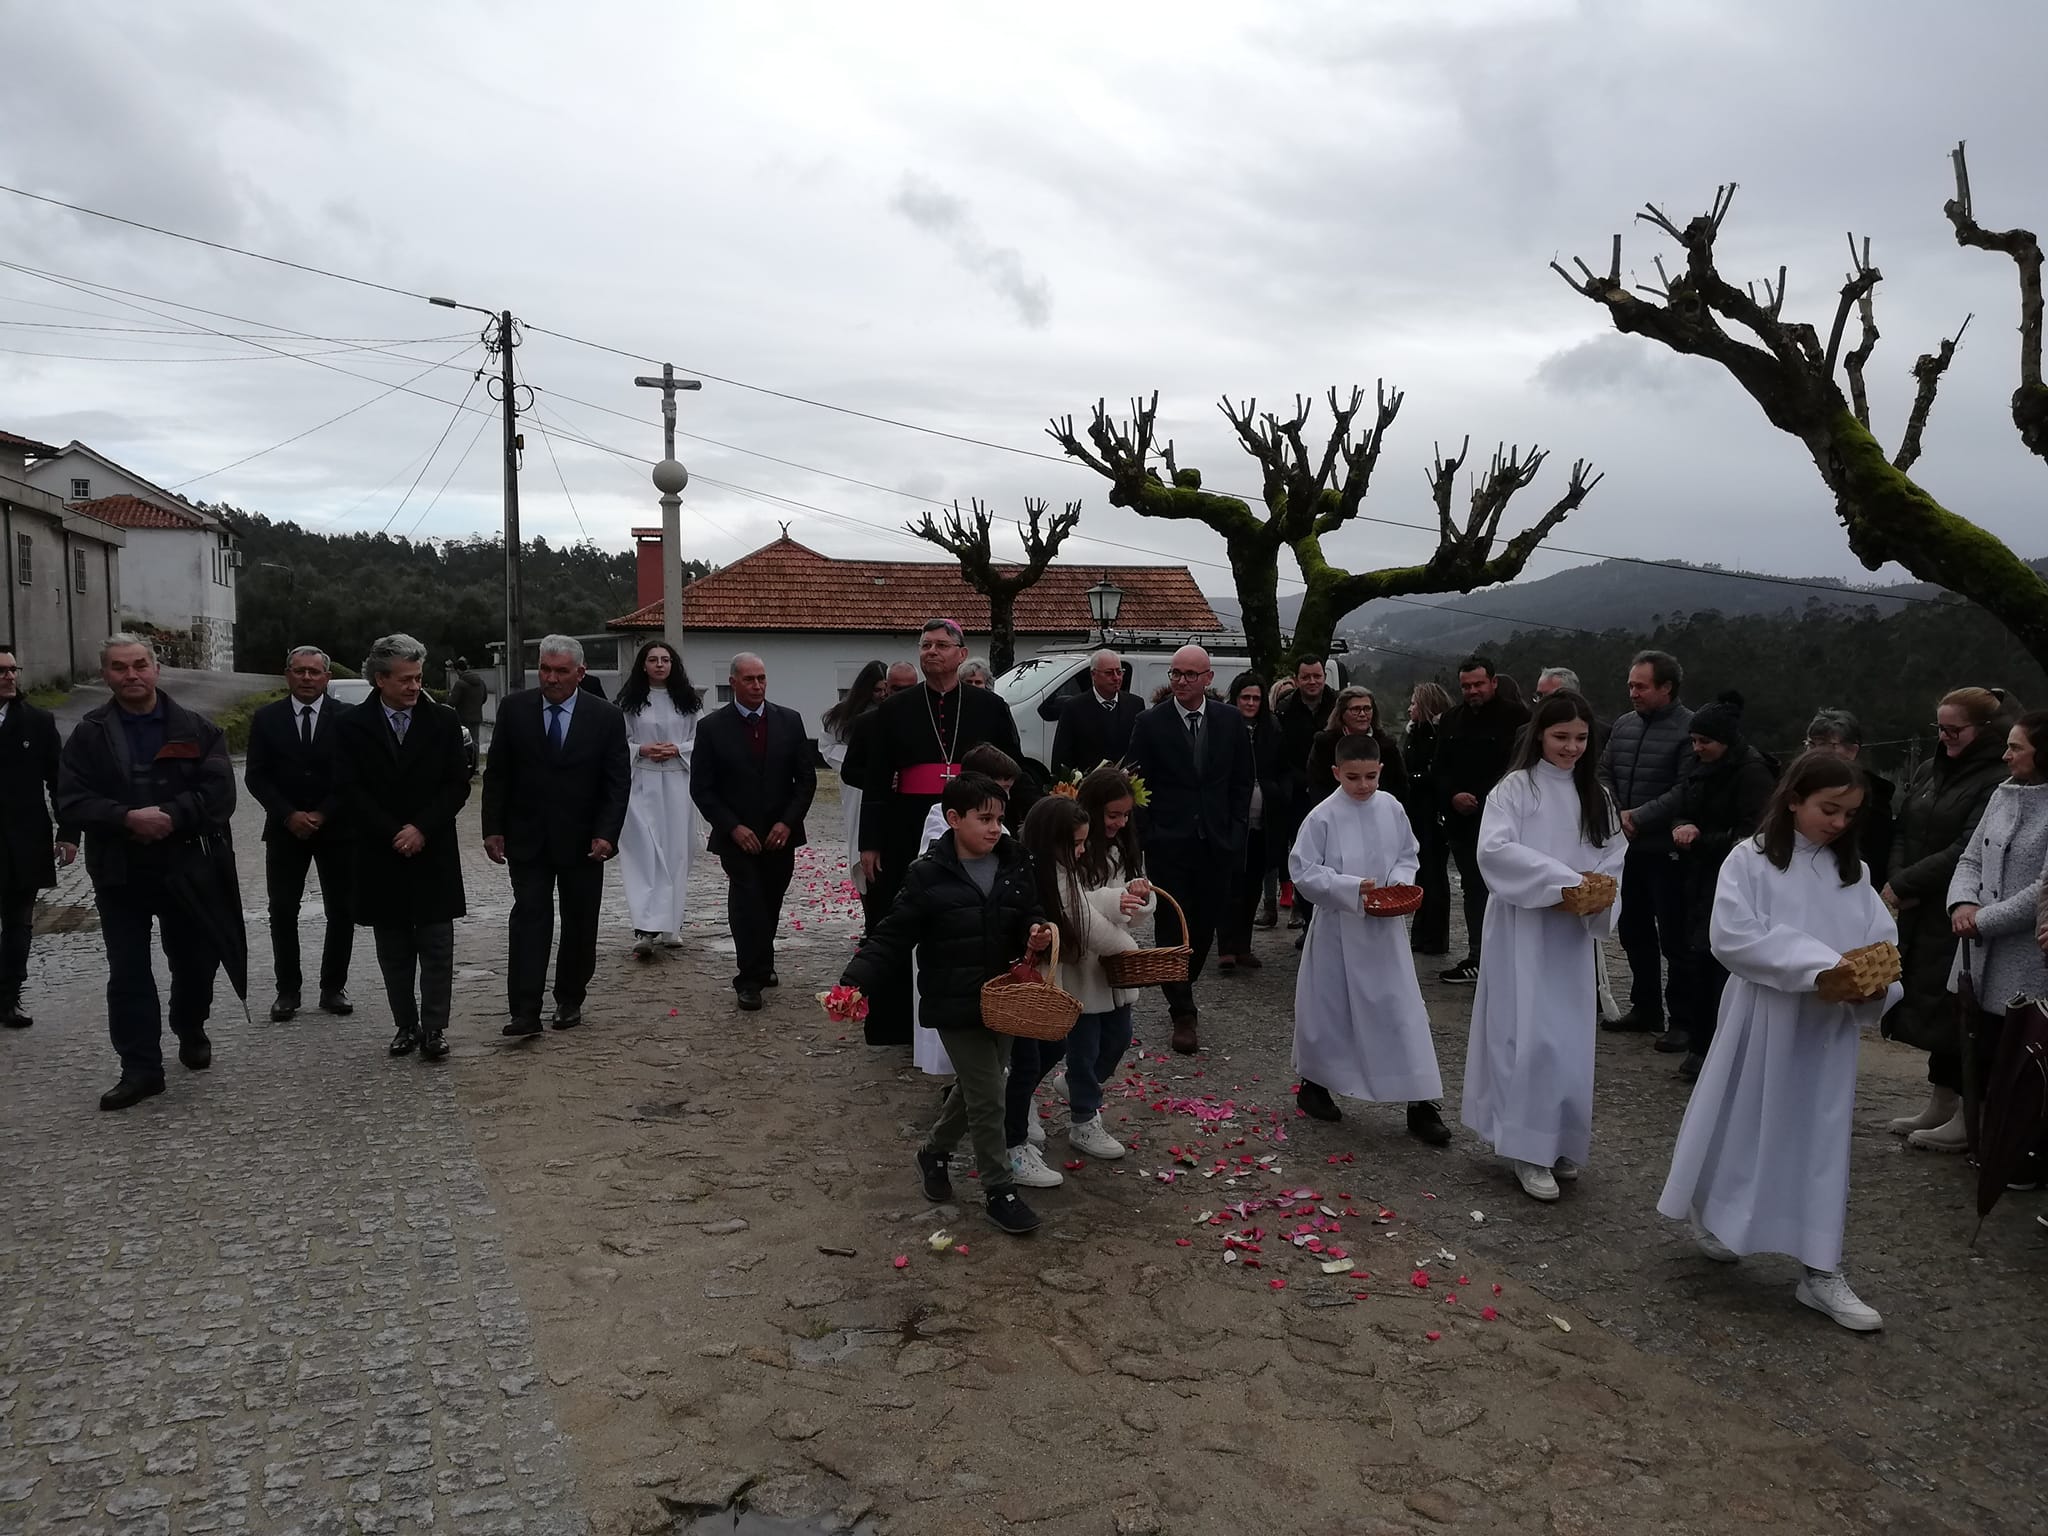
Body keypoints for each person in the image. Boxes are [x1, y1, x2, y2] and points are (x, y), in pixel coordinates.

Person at [1656, 753, 1899, 1333]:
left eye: (1850, 814)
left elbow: (1879, 941)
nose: (1839, 823)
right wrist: (1820, 966)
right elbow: (1733, 936)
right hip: (1764, 1015)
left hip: (1825, 1031)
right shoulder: (1752, 860)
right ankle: (1719, 1213)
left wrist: (1872, 981)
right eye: (1828, 809)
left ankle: (1820, 1268)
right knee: (1744, 1117)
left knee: (1820, 1137)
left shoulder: (1854, 873)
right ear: (1793, 799)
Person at [838, 773, 1054, 1235]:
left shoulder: (1015, 862)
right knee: (988, 1095)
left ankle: (933, 1151)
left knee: (984, 1083)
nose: (996, 828)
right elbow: (892, 935)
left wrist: (1037, 931)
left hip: (1005, 1000)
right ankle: (1000, 1190)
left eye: (1000, 818)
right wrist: (856, 982)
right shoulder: (926, 875)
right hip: (954, 1003)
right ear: (953, 819)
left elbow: (1029, 914)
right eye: (984, 819)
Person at [1460, 689, 1627, 1201]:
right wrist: (1563, 882)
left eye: (1581, 738)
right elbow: (1495, 850)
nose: (1571, 747)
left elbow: (1615, 854)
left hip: (1571, 938)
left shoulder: (1596, 797)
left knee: (1568, 1039)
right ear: (1538, 735)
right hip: (1524, 931)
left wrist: (1595, 892)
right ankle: (1525, 1148)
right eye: (1561, 736)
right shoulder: (1516, 789)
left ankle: (1558, 1140)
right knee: (1526, 1035)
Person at [57, 634, 233, 1110]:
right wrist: (125, 817)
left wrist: (171, 815)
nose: (130, 675)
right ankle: (140, 1069)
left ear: (156, 669)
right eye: (119, 668)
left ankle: (189, 1023)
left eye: (139, 665)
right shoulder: (88, 734)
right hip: (120, 871)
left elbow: (219, 795)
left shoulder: (196, 728)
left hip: (184, 867)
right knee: (128, 972)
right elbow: (71, 799)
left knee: (195, 963)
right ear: (105, 675)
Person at [855, 619, 1024, 1044]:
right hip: (906, 823)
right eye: (925, 645)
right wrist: (870, 842)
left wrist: (1016, 824)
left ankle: (978, 1014)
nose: (931, 651)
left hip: (973, 821)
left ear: (961, 654)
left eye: (941, 645)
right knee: (898, 913)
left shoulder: (990, 706)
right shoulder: (893, 709)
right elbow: (877, 780)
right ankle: (896, 1024)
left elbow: (1013, 771)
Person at [1290, 733, 1450, 1145]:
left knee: (1401, 1009)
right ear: (1335, 773)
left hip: (1384, 931)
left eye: (1371, 777)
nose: (1363, 786)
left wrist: (1398, 884)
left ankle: (1420, 1100)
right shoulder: (1322, 816)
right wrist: (1349, 887)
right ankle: (1315, 1084)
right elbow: (1304, 871)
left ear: (1381, 770)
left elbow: (1407, 854)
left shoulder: (1392, 807)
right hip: (1338, 929)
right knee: (1331, 1008)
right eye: (1353, 777)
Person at [482, 635, 632, 1037]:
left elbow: (617, 782)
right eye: (545, 670)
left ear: (580, 673)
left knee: (580, 923)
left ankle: (569, 998)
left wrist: (607, 833)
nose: (551, 678)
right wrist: (492, 828)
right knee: (529, 919)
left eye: (561, 671)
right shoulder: (514, 710)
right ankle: (525, 1011)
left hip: (584, 841)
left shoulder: (605, 717)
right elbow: (497, 773)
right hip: (527, 837)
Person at [1882, 686, 2013, 1138]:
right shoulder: (1928, 769)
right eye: (1940, 728)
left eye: (1954, 729)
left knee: (1962, 1010)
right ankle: (1940, 1102)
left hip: (1960, 908)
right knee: (1932, 1009)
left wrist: (1904, 883)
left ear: (1986, 729)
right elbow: (1904, 828)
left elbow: (1968, 848)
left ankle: (1968, 1112)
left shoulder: (1998, 778)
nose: (1945, 738)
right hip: (1921, 907)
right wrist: (1898, 880)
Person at [335, 633, 470, 1061]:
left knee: (436, 946)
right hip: (380, 852)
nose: (414, 687)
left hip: (432, 850)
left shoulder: (444, 721)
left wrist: (420, 828)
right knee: (393, 949)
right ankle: (404, 1025)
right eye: (405, 680)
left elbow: (457, 786)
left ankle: (435, 1029)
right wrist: (393, 831)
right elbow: (348, 788)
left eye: (418, 678)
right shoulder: (351, 726)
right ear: (380, 680)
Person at [1925, 709, 2048, 1157]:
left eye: (2016, 747)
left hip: (2025, 955)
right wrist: (1961, 903)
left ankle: (2012, 1147)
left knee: (2016, 1054)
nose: (2006, 754)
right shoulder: (2003, 793)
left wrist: (1982, 920)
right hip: (1977, 946)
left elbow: (2043, 889)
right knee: (1976, 1043)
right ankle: (1971, 1125)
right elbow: (1970, 858)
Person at [1127, 643, 1253, 1055]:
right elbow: (1135, 783)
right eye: (1175, 673)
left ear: (1208, 679)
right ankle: (1182, 1009)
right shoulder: (1150, 723)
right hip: (1169, 843)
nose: (1181, 681)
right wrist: (1148, 832)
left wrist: (1235, 830)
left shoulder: (1231, 721)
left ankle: (1185, 981)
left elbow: (1240, 780)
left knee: (1204, 923)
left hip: (1217, 840)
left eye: (1190, 675)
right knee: (1171, 923)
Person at [1656, 693, 1778, 1084]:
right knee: (1692, 957)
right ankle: (1698, 1040)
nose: (1697, 748)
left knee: (1717, 962)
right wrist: (1681, 823)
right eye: (1693, 741)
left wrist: (1701, 839)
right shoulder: (1698, 766)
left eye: (1704, 742)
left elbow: (1753, 835)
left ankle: (1719, 1049)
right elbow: (1685, 801)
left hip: (1729, 876)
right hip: (1695, 873)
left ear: (1724, 741)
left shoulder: (1754, 774)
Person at [690, 652, 816, 1011]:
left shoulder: (789, 721)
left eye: (761, 678)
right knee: (747, 902)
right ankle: (748, 979)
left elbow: (805, 780)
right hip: (736, 836)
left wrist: (787, 822)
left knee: (770, 899)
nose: (757, 685)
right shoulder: (712, 728)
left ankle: (763, 961)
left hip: (780, 834)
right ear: (732, 683)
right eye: (749, 679)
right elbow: (702, 788)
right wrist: (732, 827)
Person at [244, 646, 355, 1023]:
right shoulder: (266, 718)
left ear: (326, 677)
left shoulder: (347, 718)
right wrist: (288, 814)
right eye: (299, 671)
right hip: (284, 828)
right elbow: (256, 775)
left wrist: (324, 813)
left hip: (336, 827)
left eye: (314, 672)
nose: (307, 678)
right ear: (287, 675)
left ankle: (332, 986)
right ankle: (287, 990)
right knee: (282, 910)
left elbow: (354, 775)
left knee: (342, 909)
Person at [1002, 795, 1101, 1189]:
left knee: (1052, 1047)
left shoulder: (1062, 870)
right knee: (1028, 1059)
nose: (1081, 851)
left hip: (1049, 976)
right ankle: (1013, 1143)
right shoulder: (1027, 870)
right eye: (1075, 843)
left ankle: (1015, 1109)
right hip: (1028, 981)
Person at [911, 743, 1024, 1081]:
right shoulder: (940, 816)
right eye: (999, 790)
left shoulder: (998, 826)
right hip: (951, 936)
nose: (1003, 800)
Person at [1600, 650, 1696, 1044]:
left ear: (1666, 688)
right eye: (1630, 685)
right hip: (1627, 850)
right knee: (1633, 930)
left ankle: (1685, 1021)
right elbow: (1604, 771)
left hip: (1667, 851)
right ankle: (1646, 1008)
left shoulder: (1689, 729)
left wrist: (1638, 817)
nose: (1633, 693)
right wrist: (1616, 811)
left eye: (1640, 686)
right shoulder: (1623, 726)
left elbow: (1686, 789)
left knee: (1675, 937)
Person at [1063, 764, 1153, 1160]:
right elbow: (1077, 905)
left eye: (1126, 815)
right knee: (1083, 1044)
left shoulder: (1124, 848)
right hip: (1083, 962)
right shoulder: (1073, 850)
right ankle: (1084, 1119)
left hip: (1113, 964)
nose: (1120, 822)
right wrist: (1116, 901)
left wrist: (1139, 896)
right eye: (1112, 814)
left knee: (1117, 1038)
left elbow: (1132, 911)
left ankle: (1081, 1086)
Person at [1433, 656, 1531, 983]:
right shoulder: (1450, 720)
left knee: (1507, 890)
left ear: (1493, 682)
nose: (1472, 691)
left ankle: (1512, 958)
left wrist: (1490, 797)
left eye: (1478, 684)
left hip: (1506, 821)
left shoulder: (1519, 719)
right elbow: (1440, 768)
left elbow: (1521, 768)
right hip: (1463, 823)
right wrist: (1452, 796)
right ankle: (1478, 956)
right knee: (1474, 889)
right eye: (1466, 686)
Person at [0, 648, 78, 1027]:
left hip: (23, 841)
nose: (9, 677)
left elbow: (59, 781)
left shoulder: (38, 722)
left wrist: (67, 832)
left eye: (13, 669)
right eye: (1, 671)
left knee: (18, 922)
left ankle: (9, 996)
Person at [616, 639, 702, 958]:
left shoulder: (688, 702)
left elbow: (700, 739)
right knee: (645, 852)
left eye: (665, 659)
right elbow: (618, 742)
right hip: (642, 781)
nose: (660, 665)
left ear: (673, 664)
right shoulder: (630, 703)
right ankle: (645, 926)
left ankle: (671, 923)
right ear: (643, 665)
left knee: (677, 850)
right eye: (653, 659)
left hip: (678, 781)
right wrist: (642, 749)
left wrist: (679, 749)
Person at [840, 661, 917, 931]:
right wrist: (881, 780)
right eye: (895, 688)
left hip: (917, 821)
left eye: (908, 689)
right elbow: (849, 771)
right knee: (881, 903)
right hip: (882, 822)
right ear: (885, 689)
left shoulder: (926, 722)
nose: (901, 694)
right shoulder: (867, 723)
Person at [1217, 671, 1283, 975]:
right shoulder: (1224, 726)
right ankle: (1226, 948)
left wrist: (1277, 791)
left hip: (1264, 820)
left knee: (1253, 887)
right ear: (1236, 698)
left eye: (1256, 698)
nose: (1251, 703)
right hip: (1232, 820)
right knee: (1229, 886)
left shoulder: (1272, 728)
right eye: (1246, 697)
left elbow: (1283, 768)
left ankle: (1244, 946)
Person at [1275, 658, 1337, 927]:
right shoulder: (1285, 709)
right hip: (1298, 794)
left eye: (1317, 676)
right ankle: (1307, 918)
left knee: (1332, 857)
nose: (1312, 682)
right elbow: (1279, 753)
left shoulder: (1338, 704)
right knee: (1303, 857)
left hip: (1332, 791)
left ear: (1324, 676)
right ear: (1297, 679)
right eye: (1306, 677)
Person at [822, 659, 890, 904]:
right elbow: (828, 747)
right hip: (857, 786)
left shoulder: (896, 711)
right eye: (877, 690)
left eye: (886, 689)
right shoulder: (844, 716)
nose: (882, 695)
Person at [1803, 710, 1893, 881]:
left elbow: (1874, 857)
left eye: (1826, 745)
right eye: (1811, 744)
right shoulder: (1799, 786)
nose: (1815, 753)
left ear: (1852, 751)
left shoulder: (1873, 798)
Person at [1403, 682, 1454, 956]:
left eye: (1413, 703)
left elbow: (1433, 773)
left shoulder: (1434, 736)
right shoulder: (1416, 734)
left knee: (1433, 874)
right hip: (1417, 811)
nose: (1409, 708)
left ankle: (1434, 936)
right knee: (1423, 873)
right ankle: (1423, 933)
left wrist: (1409, 779)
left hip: (1430, 813)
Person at [1305, 686, 1411, 808]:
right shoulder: (1324, 745)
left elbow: (1400, 785)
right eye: (1355, 709)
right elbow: (1317, 786)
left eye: (1367, 709)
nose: (1362, 714)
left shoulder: (1387, 746)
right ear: (1342, 713)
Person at [1050, 649, 1143, 780]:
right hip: (1088, 788)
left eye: (1119, 672)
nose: (1116, 678)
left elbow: (1140, 749)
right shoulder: (1074, 707)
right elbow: (1062, 756)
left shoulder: (1135, 704)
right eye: (1109, 673)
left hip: (1125, 787)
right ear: (1093, 674)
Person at [446, 656, 487, 760]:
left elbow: (452, 702)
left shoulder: (460, 684)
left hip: (463, 717)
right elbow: (484, 698)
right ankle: (476, 765)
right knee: (475, 741)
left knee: (463, 742)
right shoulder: (481, 682)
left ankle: (465, 764)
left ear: (458, 670)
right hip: (477, 716)